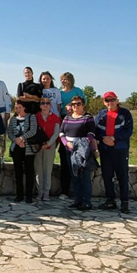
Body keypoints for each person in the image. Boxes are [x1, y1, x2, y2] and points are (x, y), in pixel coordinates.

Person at [95, 91, 134, 214]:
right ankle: (110, 200)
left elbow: (128, 131)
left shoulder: (125, 113)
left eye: (112, 100)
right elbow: (95, 129)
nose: (110, 102)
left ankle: (124, 202)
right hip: (105, 150)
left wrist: (114, 139)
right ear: (104, 102)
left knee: (122, 176)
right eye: (107, 100)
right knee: (107, 176)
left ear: (117, 100)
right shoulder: (101, 115)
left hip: (120, 150)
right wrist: (104, 139)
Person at [60, 96, 98, 211]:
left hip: (83, 151)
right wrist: (66, 143)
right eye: (73, 104)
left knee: (84, 177)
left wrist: (85, 141)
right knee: (74, 176)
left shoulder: (88, 117)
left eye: (78, 104)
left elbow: (91, 132)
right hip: (69, 151)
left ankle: (87, 202)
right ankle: (78, 200)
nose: (75, 106)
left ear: (83, 105)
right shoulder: (67, 118)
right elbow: (61, 133)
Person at [58, 72, 87, 200]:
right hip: (64, 120)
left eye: (66, 79)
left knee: (79, 163)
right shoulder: (59, 92)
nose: (64, 81)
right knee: (64, 161)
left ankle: (80, 193)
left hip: (78, 121)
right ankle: (64, 190)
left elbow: (84, 104)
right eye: (62, 79)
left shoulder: (78, 91)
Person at [8, 100, 39, 203]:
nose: (17, 109)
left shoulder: (31, 117)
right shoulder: (13, 120)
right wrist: (16, 140)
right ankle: (19, 195)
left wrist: (22, 138)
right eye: (16, 108)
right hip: (16, 148)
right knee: (18, 172)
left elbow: (33, 131)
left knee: (29, 172)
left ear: (24, 107)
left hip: (28, 148)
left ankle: (29, 195)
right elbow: (10, 132)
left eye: (19, 107)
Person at [34, 96, 61, 201]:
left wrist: (48, 144)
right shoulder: (36, 117)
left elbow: (56, 134)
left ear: (50, 105)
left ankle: (46, 192)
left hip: (50, 146)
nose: (45, 105)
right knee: (38, 170)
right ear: (40, 105)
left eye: (47, 103)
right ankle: (39, 191)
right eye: (43, 103)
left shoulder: (55, 118)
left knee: (47, 170)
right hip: (38, 146)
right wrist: (38, 144)